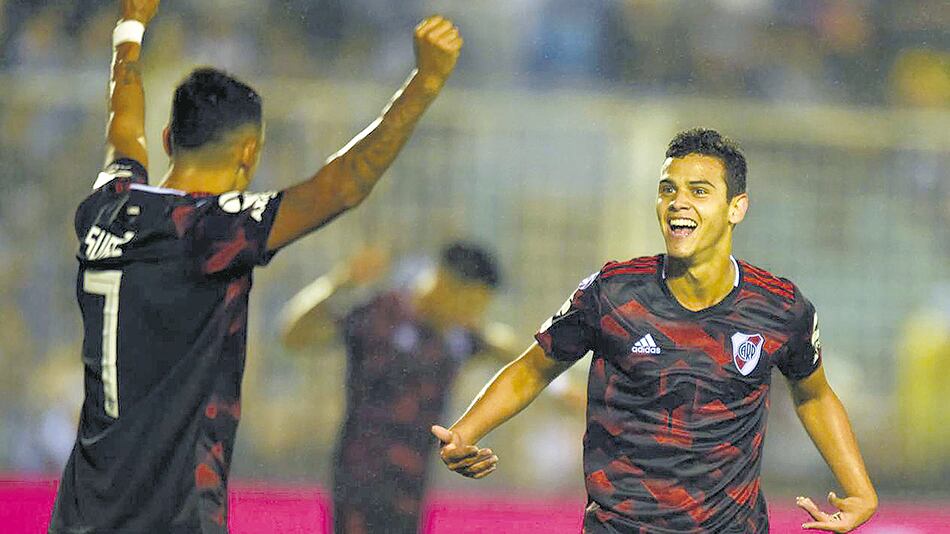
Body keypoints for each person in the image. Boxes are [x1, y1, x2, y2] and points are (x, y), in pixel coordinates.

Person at [49, 0, 464, 532]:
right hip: (169, 514)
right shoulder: (213, 229)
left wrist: (130, 28)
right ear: (249, 153)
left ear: (169, 138)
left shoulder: (107, 203)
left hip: (80, 511)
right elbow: (343, 185)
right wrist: (425, 82)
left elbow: (122, 124)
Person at [433, 129, 878, 533]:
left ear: (736, 208)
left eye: (698, 191)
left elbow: (813, 395)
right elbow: (533, 369)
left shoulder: (779, 307)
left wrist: (859, 490)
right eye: (668, 189)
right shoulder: (613, 292)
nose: (678, 202)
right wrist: (465, 432)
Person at [279, 243, 515, 534]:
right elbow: (293, 335)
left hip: (412, 488)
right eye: (471, 304)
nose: (472, 314)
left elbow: (519, 355)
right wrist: (339, 282)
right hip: (359, 481)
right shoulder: (381, 312)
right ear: (445, 282)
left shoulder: (459, 338)